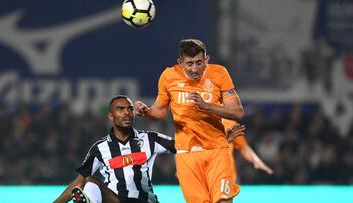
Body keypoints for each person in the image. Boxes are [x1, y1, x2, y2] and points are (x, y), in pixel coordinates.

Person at [134, 39, 244, 203]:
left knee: (223, 200)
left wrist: (206, 106)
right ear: (180, 62)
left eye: (199, 63)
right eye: (190, 63)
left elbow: (238, 112)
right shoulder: (169, 76)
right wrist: (146, 111)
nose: (194, 69)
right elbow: (160, 112)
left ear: (206, 59)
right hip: (186, 153)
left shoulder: (219, 73)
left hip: (217, 149)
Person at [54, 95, 176, 203]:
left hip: (144, 200)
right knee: (89, 180)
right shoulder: (99, 148)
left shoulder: (149, 139)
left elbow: (182, 145)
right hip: (115, 200)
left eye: (130, 109)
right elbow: (78, 182)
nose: (127, 112)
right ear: (111, 116)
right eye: (120, 109)